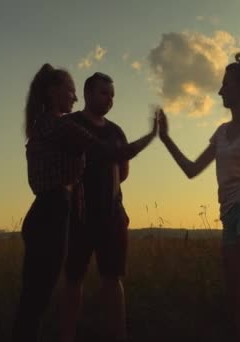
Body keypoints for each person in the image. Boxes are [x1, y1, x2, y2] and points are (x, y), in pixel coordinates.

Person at [14, 64, 151, 342]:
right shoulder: (64, 126)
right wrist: (152, 135)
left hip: (56, 211)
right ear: (55, 92)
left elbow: (119, 169)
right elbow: (112, 153)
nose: (74, 98)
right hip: (57, 214)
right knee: (39, 295)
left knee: (35, 297)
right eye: (71, 91)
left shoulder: (47, 124)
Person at [157, 53, 240, 342]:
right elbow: (192, 169)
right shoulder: (221, 132)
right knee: (239, 301)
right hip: (229, 217)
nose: (219, 90)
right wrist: (165, 138)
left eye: (225, 84)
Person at [61, 72, 157, 342]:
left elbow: (122, 171)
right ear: (88, 93)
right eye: (104, 93)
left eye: (112, 94)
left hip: (111, 216)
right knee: (73, 278)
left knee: (112, 279)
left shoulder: (116, 131)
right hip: (77, 216)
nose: (110, 99)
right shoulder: (71, 124)